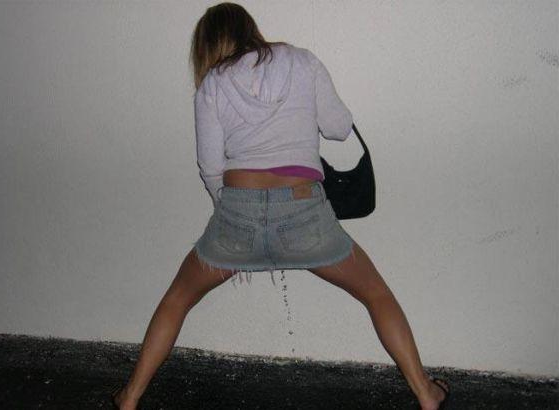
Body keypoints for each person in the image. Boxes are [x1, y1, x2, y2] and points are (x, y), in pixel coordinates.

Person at [111, 2, 449, 410]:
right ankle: (426, 393)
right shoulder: (301, 61)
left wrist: (231, 219)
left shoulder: (212, 83)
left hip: (238, 210)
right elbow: (339, 128)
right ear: (249, 28)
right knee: (376, 293)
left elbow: (210, 167)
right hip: (303, 209)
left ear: (207, 46)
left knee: (178, 299)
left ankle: (129, 398)